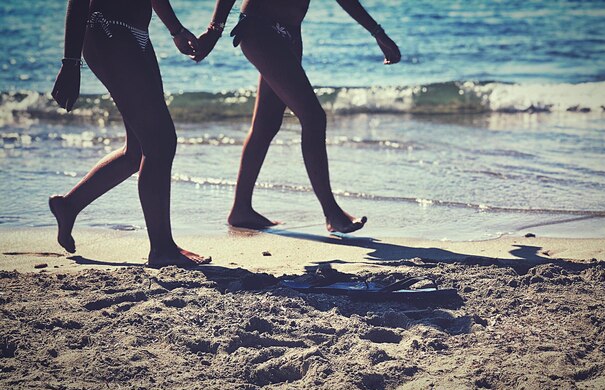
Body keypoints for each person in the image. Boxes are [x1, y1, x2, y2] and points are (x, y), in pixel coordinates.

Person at [192, 0, 401, 233]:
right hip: (261, 30)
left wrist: (378, 33)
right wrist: (214, 30)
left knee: (266, 124)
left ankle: (241, 209)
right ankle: (332, 212)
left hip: (290, 34)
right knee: (313, 117)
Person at [50, 0, 209, 267]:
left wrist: (176, 30)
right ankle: (162, 248)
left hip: (135, 35)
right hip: (108, 30)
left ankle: (69, 205)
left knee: (139, 149)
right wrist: (70, 62)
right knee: (160, 143)